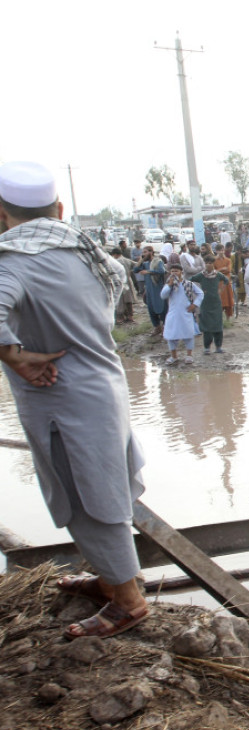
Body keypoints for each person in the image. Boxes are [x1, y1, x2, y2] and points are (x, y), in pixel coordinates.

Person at [0, 161, 149, 640]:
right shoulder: (86, 252)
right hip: (105, 387)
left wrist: (18, 357)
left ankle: (126, 602)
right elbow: (116, 290)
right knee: (106, 490)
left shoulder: (13, 262)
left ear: (3, 215)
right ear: (58, 209)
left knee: (88, 500)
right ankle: (110, 580)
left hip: (62, 400)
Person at [160, 262, 203, 364]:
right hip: (173, 314)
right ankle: (174, 356)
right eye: (172, 271)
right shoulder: (169, 285)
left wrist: (195, 305)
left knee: (188, 334)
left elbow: (200, 294)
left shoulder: (188, 284)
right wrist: (169, 285)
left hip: (185, 313)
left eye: (176, 271)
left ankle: (189, 355)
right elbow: (163, 296)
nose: (174, 273)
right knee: (171, 335)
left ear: (181, 272)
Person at [191, 255, 229, 354]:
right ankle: (207, 348)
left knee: (217, 325)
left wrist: (221, 289)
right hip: (205, 303)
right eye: (206, 263)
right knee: (206, 326)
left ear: (213, 264)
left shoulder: (218, 275)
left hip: (216, 303)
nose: (208, 265)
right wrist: (198, 292)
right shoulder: (201, 275)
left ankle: (218, 347)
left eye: (210, 263)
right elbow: (190, 280)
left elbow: (226, 280)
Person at [212, 244, 235, 319]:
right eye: (219, 250)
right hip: (218, 282)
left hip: (226, 282)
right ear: (216, 251)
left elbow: (228, 269)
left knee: (228, 300)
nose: (221, 252)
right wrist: (222, 269)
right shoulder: (214, 261)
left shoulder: (228, 260)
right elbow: (213, 271)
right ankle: (219, 318)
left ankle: (228, 318)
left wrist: (219, 270)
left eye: (222, 250)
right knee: (220, 300)